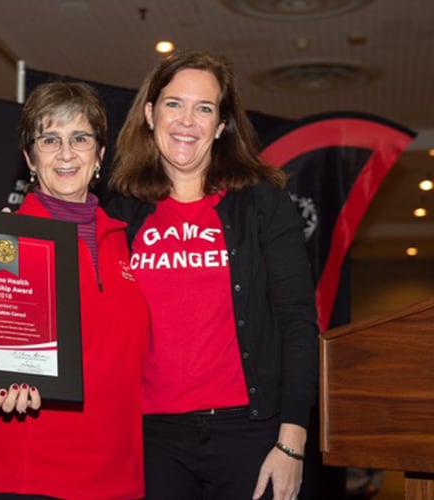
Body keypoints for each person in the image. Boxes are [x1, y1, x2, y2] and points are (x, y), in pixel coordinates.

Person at [106, 50, 319, 500]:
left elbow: (299, 325)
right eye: (173, 104)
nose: (187, 120)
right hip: (150, 437)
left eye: (204, 108)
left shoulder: (263, 204)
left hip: (250, 434)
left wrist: (293, 441)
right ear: (149, 113)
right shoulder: (120, 211)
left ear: (221, 126)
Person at [0, 81, 150, 499]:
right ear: (30, 156)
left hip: (119, 480)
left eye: (80, 138)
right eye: (50, 139)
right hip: (23, 477)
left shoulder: (125, 241)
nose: (66, 153)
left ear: (100, 155)